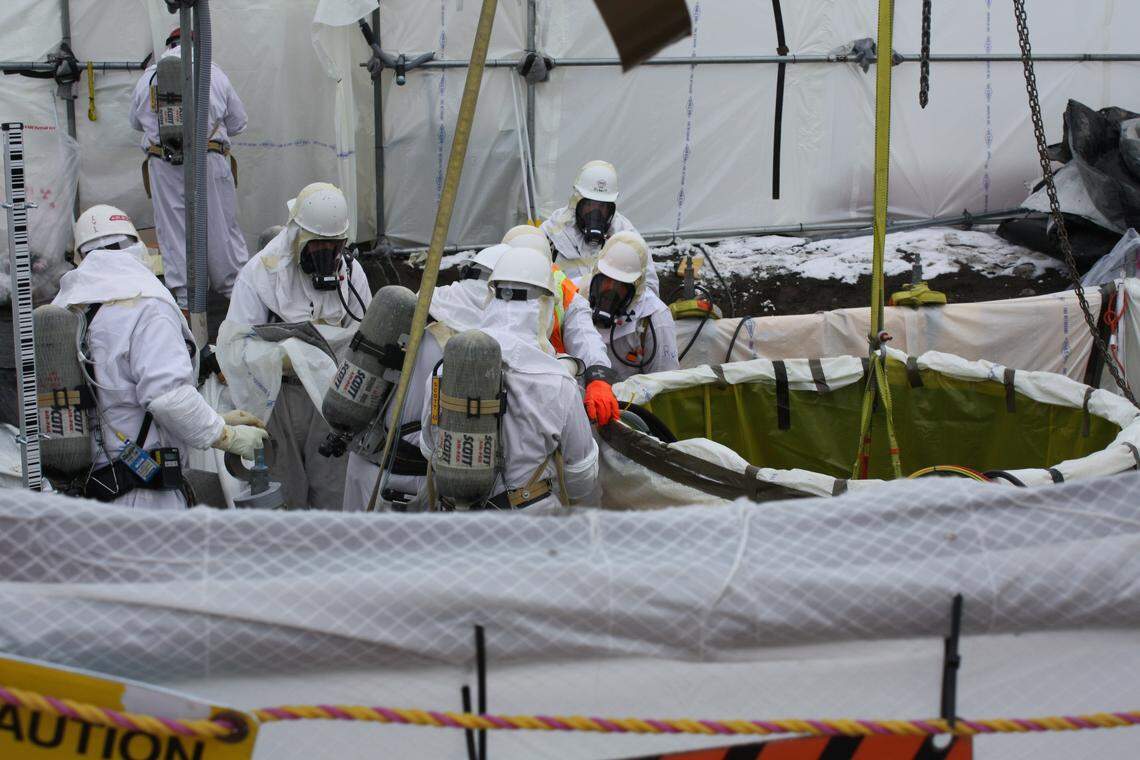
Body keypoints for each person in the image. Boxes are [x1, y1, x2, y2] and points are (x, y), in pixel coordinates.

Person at [53, 205, 267, 509]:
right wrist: (224, 433)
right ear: (137, 247)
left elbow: (120, 398)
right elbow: (168, 398)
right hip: (144, 495)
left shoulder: (71, 307)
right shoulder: (145, 305)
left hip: (92, 495)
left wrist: (214, 416)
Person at [419, 247, 599, 512]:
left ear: (491, 296)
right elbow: (580, 481)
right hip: (526, 527)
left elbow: (429, 448)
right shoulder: (558, 382)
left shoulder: (447, 367)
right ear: (545, 305)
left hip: (457, 524)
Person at [227, 182, 372, 510]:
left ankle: (332, 558)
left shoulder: (351, 274)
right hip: (277, 396)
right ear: (296, 238)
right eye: (317, 248)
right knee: (283, 492)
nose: (327, 258)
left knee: (335, 492)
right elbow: (237, 345)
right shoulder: (259, 276)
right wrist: (285, 356)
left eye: (333, 249)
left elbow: (362, 338)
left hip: (332, 398)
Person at [129, 27, 250, 307]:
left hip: (163, 163)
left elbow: (135, 123)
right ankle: (237, 299)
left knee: (174, 232)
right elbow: (238, 123)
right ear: (199, 44)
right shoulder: (214, 73)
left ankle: (186, 303)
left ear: (168, 45)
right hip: (209, 158)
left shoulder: (149, 77)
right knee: (221, 229)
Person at [500, 226, 621, 427]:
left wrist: (598, 375)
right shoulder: (487, 288)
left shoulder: (561, 289)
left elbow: (584, 335)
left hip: (554, 391)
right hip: (502, 385)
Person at [540, 160, 657, 294]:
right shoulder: (552, 232)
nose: (596, 213)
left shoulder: (626, 236)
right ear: (577, 200)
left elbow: (650, 289)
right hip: (565, 310)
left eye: (602, 206)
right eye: (590, 204)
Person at [577, 231, 679, 381]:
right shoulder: (576, 297)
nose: (610, 289)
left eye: (621, 285)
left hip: (630, 402)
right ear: (596, 272)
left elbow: (664, 383)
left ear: (636, 287)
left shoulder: (654, 317)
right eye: (605, 279)